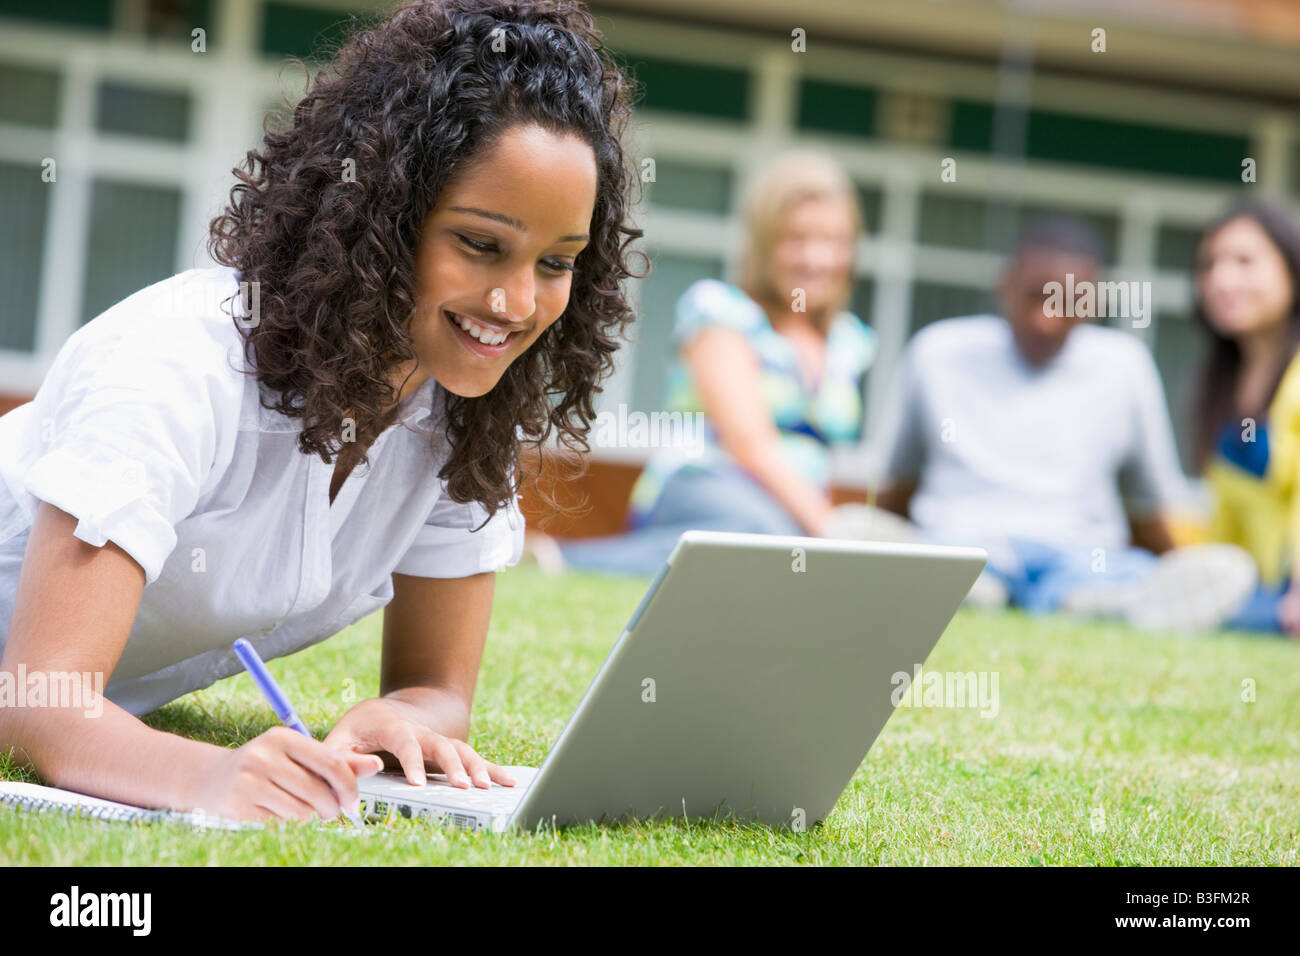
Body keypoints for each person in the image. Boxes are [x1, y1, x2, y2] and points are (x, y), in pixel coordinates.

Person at [0, 0, 644, 822]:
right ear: (380, 215)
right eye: (480, 245)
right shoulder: (174, 363)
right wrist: (212, 780)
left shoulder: (462, 413)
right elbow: (37, 704)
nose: (516, 300)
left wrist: (403, 716)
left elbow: (440, 690)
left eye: (557, 262)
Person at [868, 213, 1257, 632]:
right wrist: (883, 549)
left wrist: (1183, 567)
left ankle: (1099, 603)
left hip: (1084, 563)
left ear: (1092, 302)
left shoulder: (1124, 366)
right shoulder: (938, 353)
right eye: (1035, 297)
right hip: (960, 548)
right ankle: (969, 588)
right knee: (855, 529)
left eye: (1069, 302)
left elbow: (1150, 507)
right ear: (1006, 285)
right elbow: (897, 489)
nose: (1046, 319)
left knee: (1221, 570)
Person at [531, 149, 877, 576]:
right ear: (766, 243)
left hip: (789, 513)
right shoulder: (720, 311)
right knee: (761, 539)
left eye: (832, 241)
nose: (815, 258)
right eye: (797, 238)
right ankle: (562, 561)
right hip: (706, 483)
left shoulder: (850, 340)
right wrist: (825, 527)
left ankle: (566, 559)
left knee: (769, 549)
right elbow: (748, 444)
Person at [1189, 202, 1300, 637]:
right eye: (1210, 265)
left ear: (1292, 270)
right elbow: (1224, 525)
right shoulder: (1219, 384)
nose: (1221, 279)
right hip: (1259, 593)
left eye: (1245, 261)